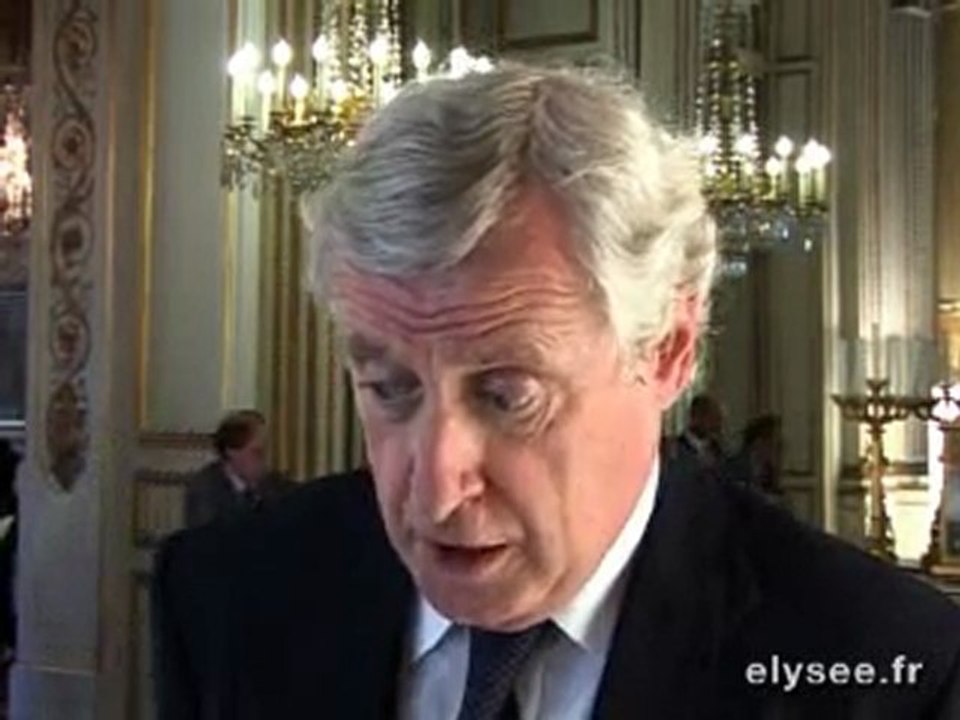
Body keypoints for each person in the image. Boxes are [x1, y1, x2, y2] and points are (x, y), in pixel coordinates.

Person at [153, 63, 960, 719]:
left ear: (668, 351)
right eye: (391, 389)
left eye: (507, 397)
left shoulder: (887, 667)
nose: (434, 492)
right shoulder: (224, 599)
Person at [184, 410, 296, 528]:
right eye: (257, 452)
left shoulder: (273, 483)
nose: (265, 460)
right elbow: (208, 536)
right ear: (231, 451)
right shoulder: (205, 489)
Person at [668, 393, 727, 473]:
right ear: (695, 417)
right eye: (711, 418)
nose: (716, 424)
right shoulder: (674, 450)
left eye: (718, 419)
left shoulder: (718, 452)